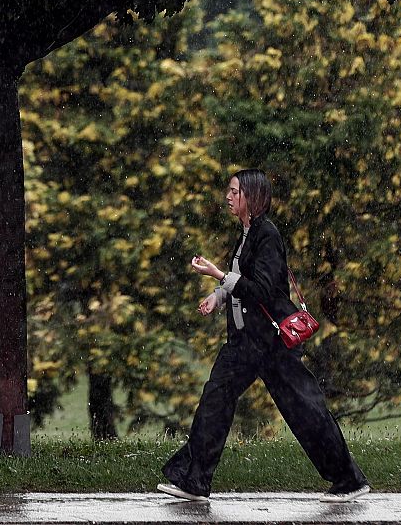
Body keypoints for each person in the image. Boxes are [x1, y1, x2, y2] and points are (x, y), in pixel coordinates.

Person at [158, 168, 371, 502]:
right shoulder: (245, 234)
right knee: (215, 399)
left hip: (272, 343)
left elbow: (263, 290)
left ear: (252, 197)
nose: (228, 197)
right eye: (228, 192)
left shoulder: (266, 234)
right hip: (244, 342)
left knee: (304, 409)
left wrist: (217, 273)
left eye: (234, 192)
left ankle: (348, 480)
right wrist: (218, 296)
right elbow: (241, 281)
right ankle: (193, 480)